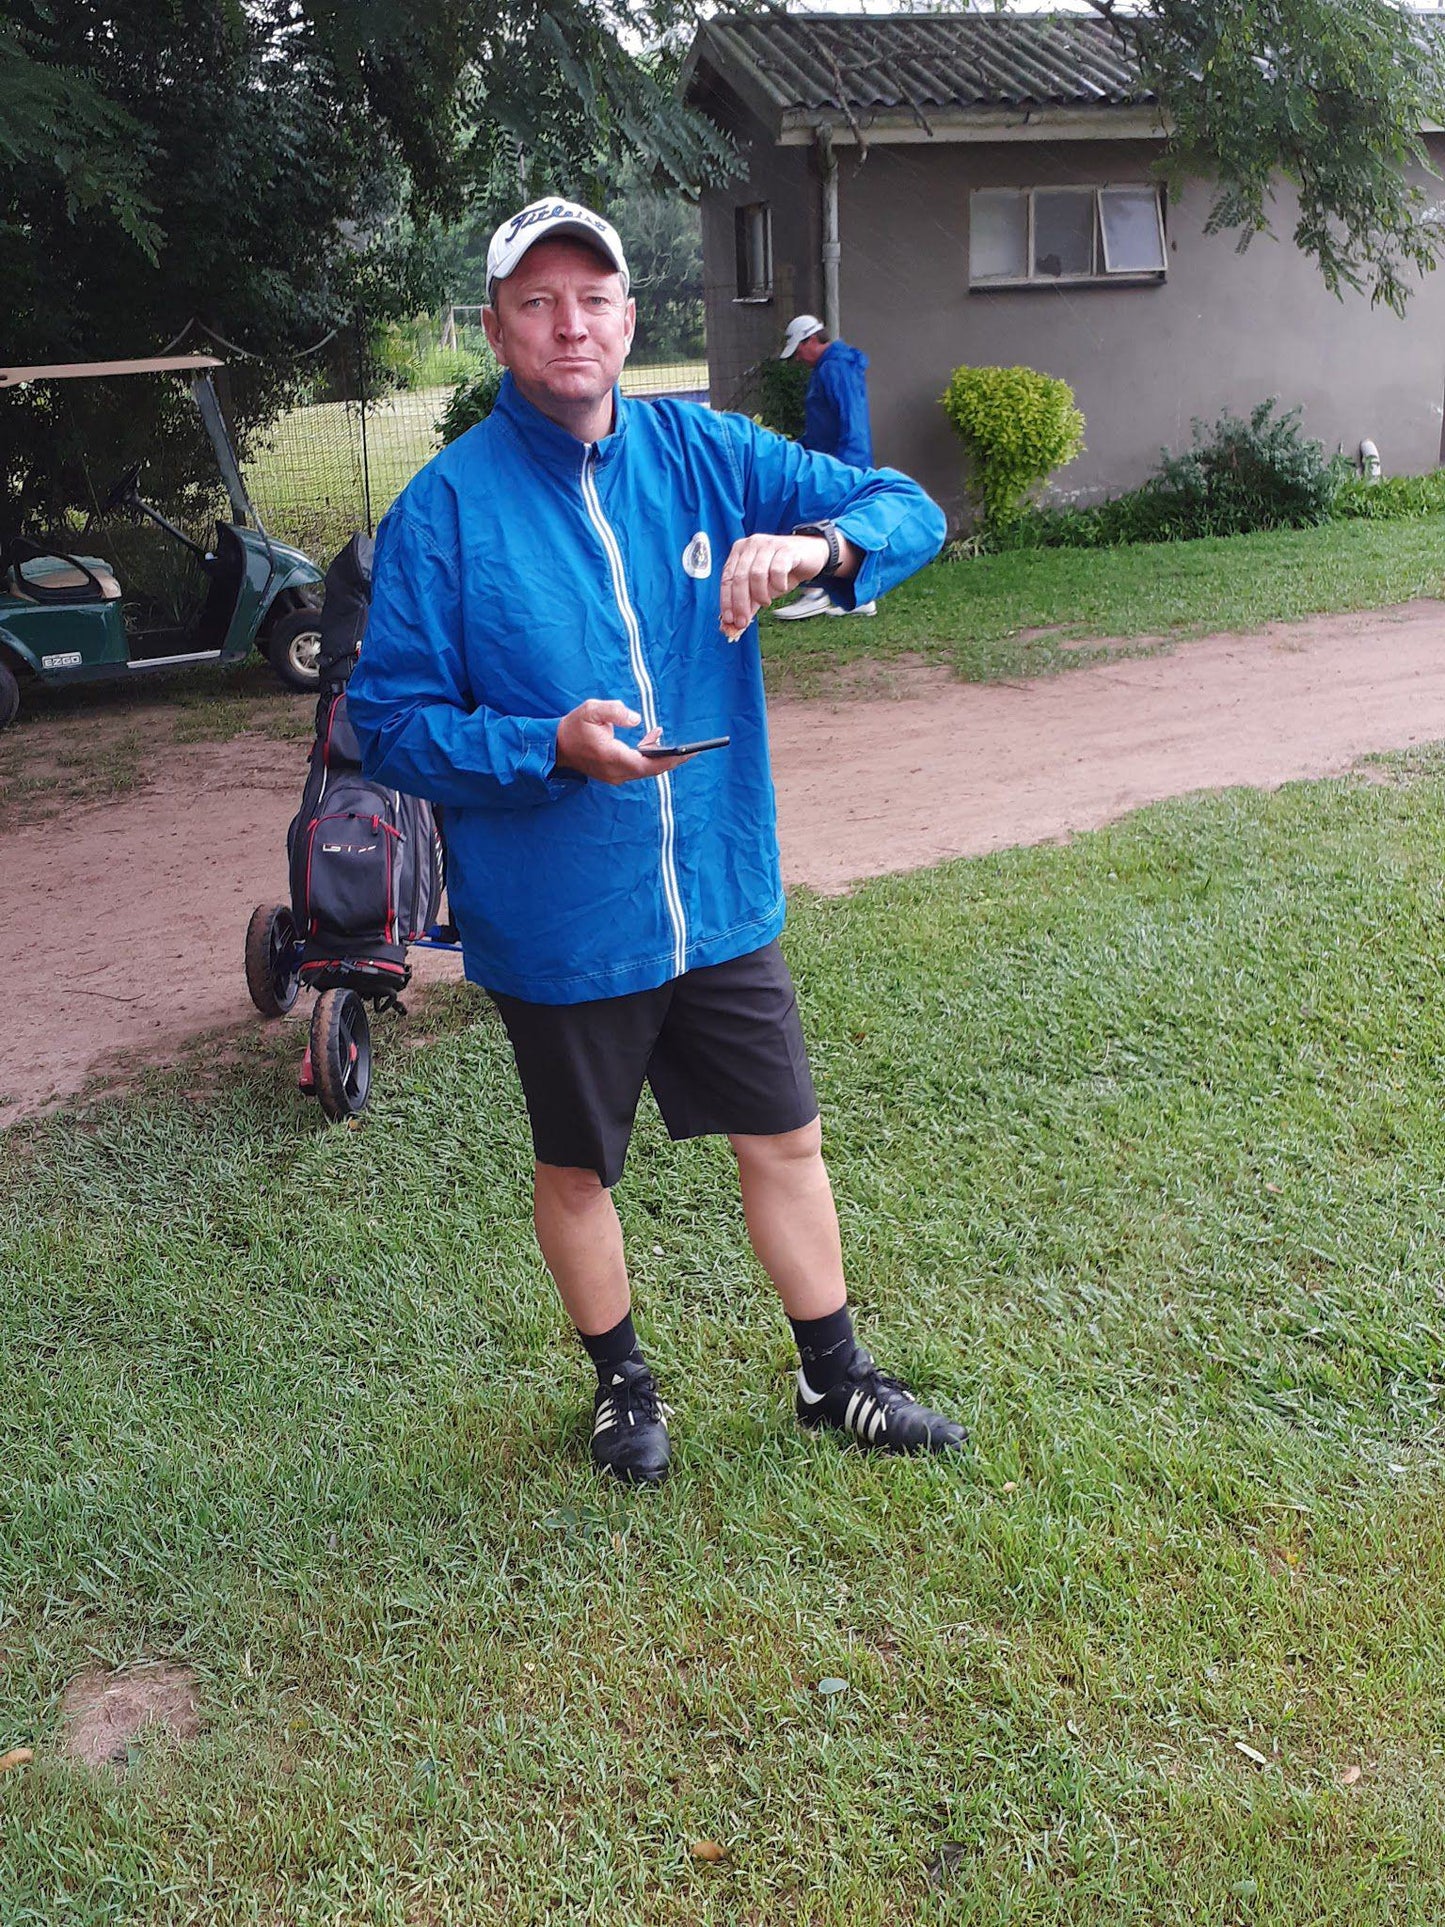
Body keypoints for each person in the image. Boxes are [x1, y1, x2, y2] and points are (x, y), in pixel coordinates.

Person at [346, 197, 965, 1486]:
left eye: (593, 299)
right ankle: (622, 1385)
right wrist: (543, 746)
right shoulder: (444, 514)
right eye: (538, 302)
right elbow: (389, 723)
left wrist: (818, 543)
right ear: (496, 329)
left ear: (631, 319)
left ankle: (831, 1374)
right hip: (561, 911)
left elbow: (906, 504)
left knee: (784, 1135)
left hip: (718, 891)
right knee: (577, 1167)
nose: (569, 324)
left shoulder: (704, 450)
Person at [774, 314, 877, 622]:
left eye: (798, 351)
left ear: (810, 341)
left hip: (842, 464)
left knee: (815, 523)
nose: (797, 360)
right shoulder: (830, 367)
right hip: (829, 460)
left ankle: (815, 592)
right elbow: (823, 426)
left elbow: (852, 421)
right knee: (844, 530)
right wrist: (797, 450)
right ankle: (857, 597)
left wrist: (847, 468)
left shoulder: (835, 368)